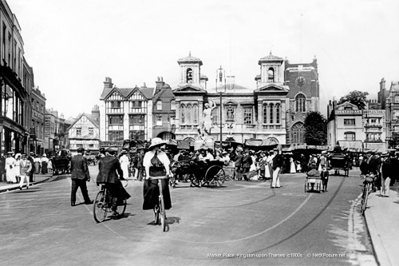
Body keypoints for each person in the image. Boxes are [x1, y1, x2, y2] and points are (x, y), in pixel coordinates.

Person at [143, 138, 172, 220]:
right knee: (152, 187)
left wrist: (168, 172)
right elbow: (146, 166)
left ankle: (164, 207)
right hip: (151, 173)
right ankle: (153, 204)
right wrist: (148, 175)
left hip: (160, 172)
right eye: (156, 146)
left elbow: (166, 164)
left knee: (164, 187)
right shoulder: (148, 154)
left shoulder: (163, 154)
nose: (158, 147)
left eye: (159, 146)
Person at [97, 147, 130, 217]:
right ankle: (114, 209)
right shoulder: (115, 159)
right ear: (113, 153)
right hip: (111, 179)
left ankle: (103, 199)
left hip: (101, 178)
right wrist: (121, 176)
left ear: (107, 153)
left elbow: (100, 168)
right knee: (116, 193)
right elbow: (119, 169)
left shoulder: (102, 159)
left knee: (106, 187)